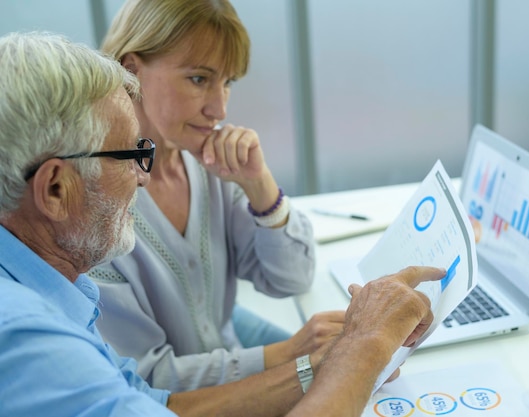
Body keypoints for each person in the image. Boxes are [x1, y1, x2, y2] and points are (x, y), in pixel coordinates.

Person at [0, 31, 445, 417]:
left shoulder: (60, 289)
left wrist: (320, 365)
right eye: (130, 156)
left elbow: (156, 404)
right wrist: (365, 347)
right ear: (56, 189)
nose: (143, 175)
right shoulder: (28, 343)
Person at [86, 0, 344, 392]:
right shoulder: (93, 205)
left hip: (237, 373)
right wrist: (288, 353)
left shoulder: (210, 167)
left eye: (227, 82)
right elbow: (144, 378)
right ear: (131, 68)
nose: (218, 108)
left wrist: (259, 184)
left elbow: (292, 277)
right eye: (198, 79)